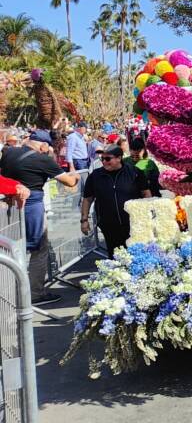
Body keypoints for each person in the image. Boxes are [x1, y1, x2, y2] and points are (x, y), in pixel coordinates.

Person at [0, 130, 79, 305]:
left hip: (9, 204)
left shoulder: (9, 153)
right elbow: (69, 182)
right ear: (43, 145)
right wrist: (77, 177)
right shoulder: (43, 160)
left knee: (12, 249)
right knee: (38, 248)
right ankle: (35, 293)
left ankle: (12, 294)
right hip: (31, 204)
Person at [81, 145, 152, 257]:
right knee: (115, 257)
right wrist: (84, 220)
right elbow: (87, 198)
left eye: (108, 159)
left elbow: (145, 193)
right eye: (102, 159)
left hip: (133, 223)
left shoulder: (135, 172)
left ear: (119, 158)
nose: (104, 162)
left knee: (136, 255)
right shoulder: (95, 176)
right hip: (109, 225)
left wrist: (149, 213)